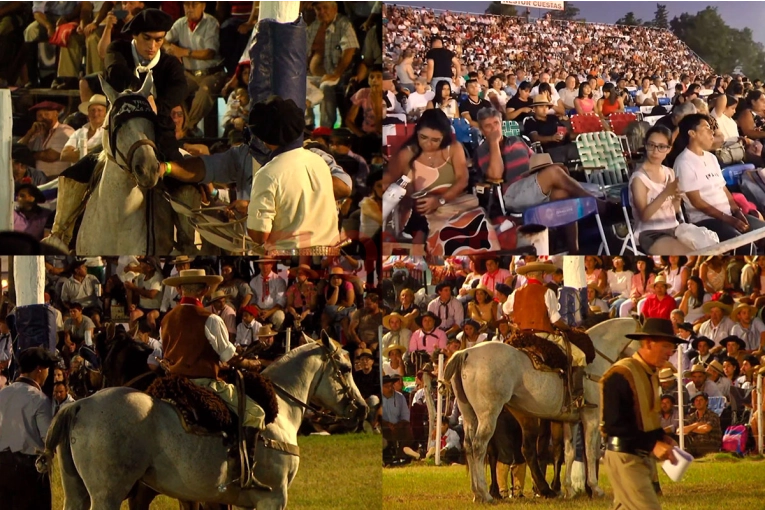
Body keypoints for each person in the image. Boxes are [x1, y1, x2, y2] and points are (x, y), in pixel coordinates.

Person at [160, 268, 270, 490]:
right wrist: (252, 364)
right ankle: (244, 473)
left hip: (173, 383)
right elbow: (229, 357)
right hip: (202, 384)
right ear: (205, 290)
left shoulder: (167, 318)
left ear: (179, 289)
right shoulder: (210, 319)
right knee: (256, 413)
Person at [384, 108, 499, 255]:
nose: (428, 144)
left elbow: (462, 180)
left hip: (459, 204)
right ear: (417, 132)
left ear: (444, 137)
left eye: (435, 140)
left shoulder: (453, 148)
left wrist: (440, 200)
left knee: (482, 232)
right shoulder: (407, 154)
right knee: (447, 238)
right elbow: (388, 182)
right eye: (423, 137)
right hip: (427, 213)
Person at [601, 318, 682, 510]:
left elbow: (646, 419)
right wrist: (653, 444)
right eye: (666, 346)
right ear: (648, 343)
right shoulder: (620, 374)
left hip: (636, 456)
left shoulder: (649, 373)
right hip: (625, 457)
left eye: (672, 348)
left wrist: (662, 437)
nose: (670, 353)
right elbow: (614, 424)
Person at [243, 97, 340, 251]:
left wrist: (250, 212)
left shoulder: (267, 174)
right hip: (331, 249)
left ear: (263, 139)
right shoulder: (319, 161)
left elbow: (260, 235)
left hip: (290, 252)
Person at [502, 261, 593, 409]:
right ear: (542, 275)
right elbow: (555, 320)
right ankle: (576, 397)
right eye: (544, 274)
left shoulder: (515, 293)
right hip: (541, 337)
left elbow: (505, 310)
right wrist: (567, 329)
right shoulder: (547, 292)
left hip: (520, 337)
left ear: (526, 276)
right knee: (579, 356)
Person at [674, 114, 765, 242]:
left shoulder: (711, 157)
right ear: (692, 133)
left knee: (762, 231)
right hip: (706, 221)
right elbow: (697, 202)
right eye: (706, 128)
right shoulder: (684, 162)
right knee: (742, 242)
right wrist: (729, 219)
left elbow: (723, 189)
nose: (712, 131)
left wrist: (737, 211)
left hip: (728, 215)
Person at [0, 347, 60, 510]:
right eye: (47, 368)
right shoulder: (38, 399)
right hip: (28, 470)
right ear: (39, 369)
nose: (49, 373)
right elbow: (49, 439)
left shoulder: (3, 393)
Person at [163, 0, 227, 131]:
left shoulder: (211, 22)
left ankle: (186, 129)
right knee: (174, 92)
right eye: (186, 4)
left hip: (212, 73)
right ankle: (174, 126)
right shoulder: (180, 23)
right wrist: (169, 48)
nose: (189, 8)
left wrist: (184, 52)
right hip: (189, 74)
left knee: (204, 93)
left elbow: (210, 53)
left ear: (203, 6)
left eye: (194, 4)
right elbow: (163, 39)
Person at [629, 125, 691, 254]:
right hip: (651, 232)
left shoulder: (669, 172)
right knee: (686, 253)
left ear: (669, 149)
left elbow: (674, 210)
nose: (655, 151)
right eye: (651, 145)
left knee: (708, 245)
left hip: (674, 227)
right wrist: (665, 193)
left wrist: (676, 198)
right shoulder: (639, 178)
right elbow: (644, 216)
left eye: (661, 147)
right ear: (645, 145)